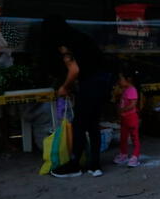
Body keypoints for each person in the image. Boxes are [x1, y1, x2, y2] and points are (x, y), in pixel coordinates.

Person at [46, 16, 111, 178]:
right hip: (104, 81)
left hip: (91, 84)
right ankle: (95, 166)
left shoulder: (64, 44)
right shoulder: (82, 37)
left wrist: (64, 87)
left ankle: (74, 165)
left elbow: (74, 70)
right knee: (93, 125)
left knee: (79, 125)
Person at [113, 67, 142, 167]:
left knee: (135, 137)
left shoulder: (132, 89)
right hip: (124, 118)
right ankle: (123, 154)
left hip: (131, 117)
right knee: (123, 137)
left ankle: (135, 156)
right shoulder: (124, 90)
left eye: (121, 79)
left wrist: (123, 110)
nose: (119, 81)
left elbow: (133, 104)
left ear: (128, 79)